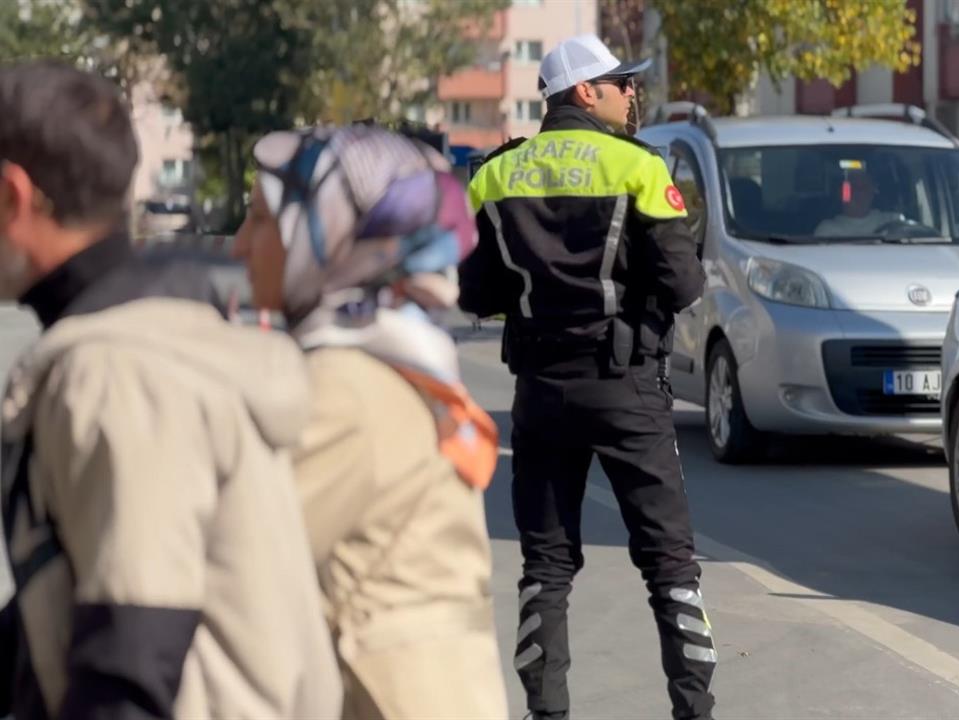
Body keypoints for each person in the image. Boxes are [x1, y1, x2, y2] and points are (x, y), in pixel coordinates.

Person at [0, 62, 340, 718]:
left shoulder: (116, 371)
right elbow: (78, 583)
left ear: (14, 197)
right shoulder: (152, 332)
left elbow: (130, 660)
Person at [459, 33, 715, 720]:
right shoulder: (636, 165)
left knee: (544, 569)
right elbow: (685, 282)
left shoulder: (493, 174)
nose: (633, 92)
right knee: (670, 567)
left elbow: (476, 292)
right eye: (621, 82)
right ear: (584, 91)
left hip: (540, 392)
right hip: (627, 386)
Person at [232, 124, 508, 720]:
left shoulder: (347, 387)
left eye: (259, 220)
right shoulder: (391, 355)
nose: (238, 246)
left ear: (330, 233)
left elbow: (231, 562)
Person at [814, 168, 901, 237]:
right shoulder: (827, 230)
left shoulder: (892, 221)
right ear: (841, 194)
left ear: (873, 192)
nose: (858, 193)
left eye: (863, 188)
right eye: (852, 188)